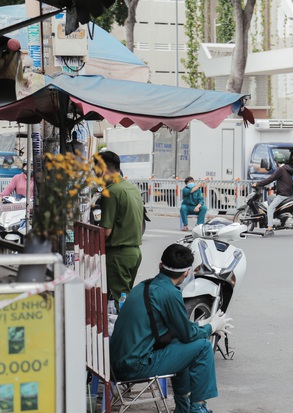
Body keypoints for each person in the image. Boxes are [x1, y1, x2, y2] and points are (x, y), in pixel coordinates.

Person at [110, 243, 233, 413]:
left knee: (181, 347)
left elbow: (180, 329)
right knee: (203, 347)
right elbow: (188, 335)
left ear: (160, 265)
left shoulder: (143, 286)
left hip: (115, 364)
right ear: (186, 273)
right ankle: (198, 408)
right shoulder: (170, 293)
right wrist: (211, 326)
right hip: (134, 366)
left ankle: (183, 408)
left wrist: (204, 324)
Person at [96, 151, 144, 303]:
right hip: (134, 253)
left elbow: (106, 232)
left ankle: (122, 327)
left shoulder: (111, 192)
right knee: (125, 298)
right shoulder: (131, 188)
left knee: (117, 302)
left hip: (118, 256)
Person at [252, 152, 293, 236]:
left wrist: (258, 184)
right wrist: (272, 188)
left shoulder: (280, 169)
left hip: (283, 195)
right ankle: (276, 216)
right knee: (270, 198)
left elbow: (271, 178)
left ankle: (270, 228)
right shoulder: (287, 169)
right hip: (287, 192)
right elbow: (284, 182)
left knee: (270, 208)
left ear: (277, 162)